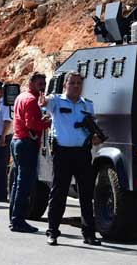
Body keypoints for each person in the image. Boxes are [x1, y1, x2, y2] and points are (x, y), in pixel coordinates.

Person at [43, 71, 102, 246]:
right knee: (58, 193)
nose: (76, 86)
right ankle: (52, 232)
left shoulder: (87, 105)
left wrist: (95, 138)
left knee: (86, 194)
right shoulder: (56, 101)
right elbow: (45, 103)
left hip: (82, 153)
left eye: (79, 83)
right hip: (62, 153)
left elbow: (90, 128)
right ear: (65, 85)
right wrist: (42, 101)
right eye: (72, 83)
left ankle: (89, 234)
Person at [9, 72, 51, 233]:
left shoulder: (21, 97)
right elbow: (32, 124)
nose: (43, 86)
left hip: (18, 141)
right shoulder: (32, 100)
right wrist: (47, 123)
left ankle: (14, 219)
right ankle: (18, 221)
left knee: (17, 183)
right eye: (40, 83)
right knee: (24, 184)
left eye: (44, 83)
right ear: (31, 83)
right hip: (26, 142)